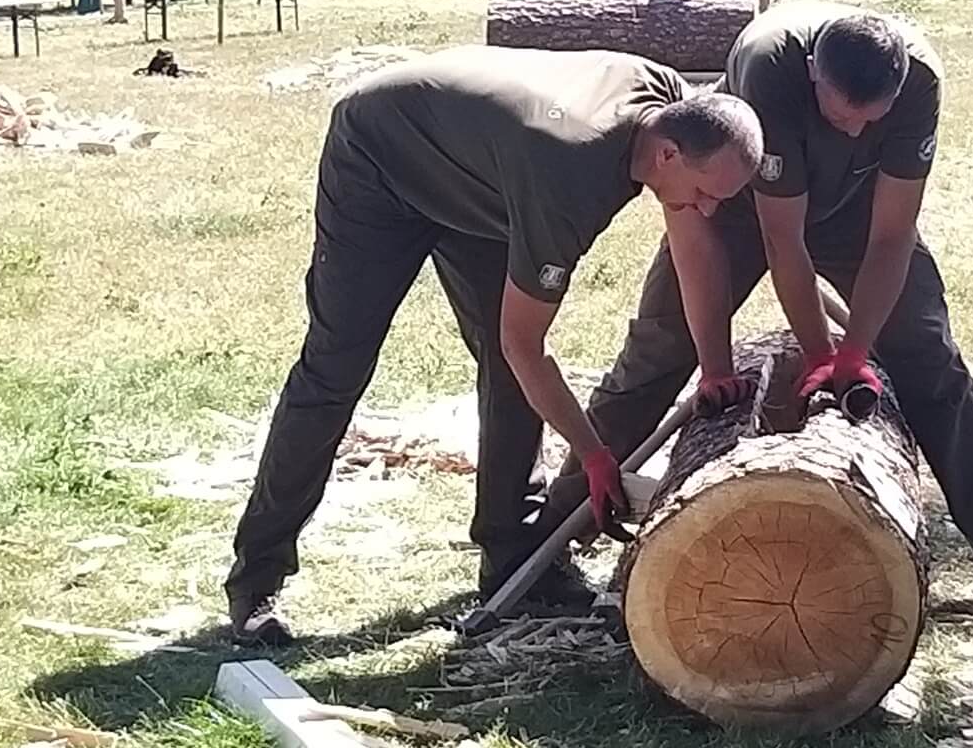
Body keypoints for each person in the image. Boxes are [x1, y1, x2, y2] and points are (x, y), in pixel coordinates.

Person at [563, 3, 973, 630]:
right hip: (736, 206)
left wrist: (855, 355)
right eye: (842, 115)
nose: (858, 132)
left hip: (859, 213)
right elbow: (785, 241)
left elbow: (892, 236)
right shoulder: (769, 65)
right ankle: (553, 538)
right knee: (659, 351)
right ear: (813, 74)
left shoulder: (918, 80)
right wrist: (817, 355)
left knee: (928, 359)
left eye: (873, 118)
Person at [222, 48, 763, 644]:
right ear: (667, 155)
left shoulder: (669, 105)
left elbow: (692, 248)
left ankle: (509, 555)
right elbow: (526, 343)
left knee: (507, 379)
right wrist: (595, 454)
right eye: (706, 193)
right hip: (378, 157)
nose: (709, 209)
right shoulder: (569, 175)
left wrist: (715, 368)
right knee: (335, 370)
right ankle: (257, 579)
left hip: (475, 176)